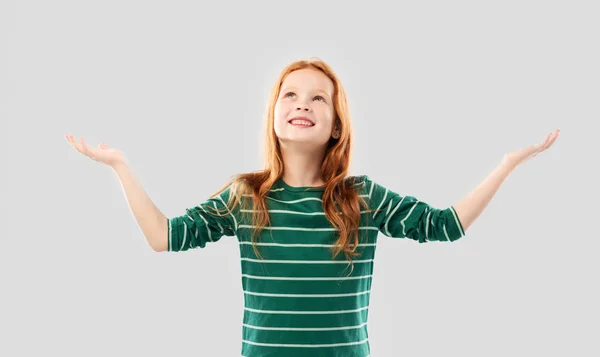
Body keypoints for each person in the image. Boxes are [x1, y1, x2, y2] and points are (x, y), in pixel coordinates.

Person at [65, 57, 560, 357]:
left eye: (318, 98)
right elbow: (164, 237)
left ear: (336, 125)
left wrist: (507, 165)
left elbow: (444, 226)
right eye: (291, 94)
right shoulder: (244, 195)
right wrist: (120, 166)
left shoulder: (361, 197)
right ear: (275, 114)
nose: (302, 104)